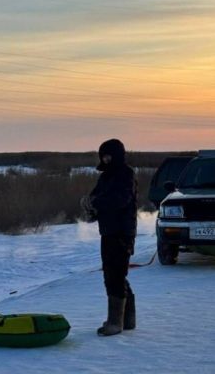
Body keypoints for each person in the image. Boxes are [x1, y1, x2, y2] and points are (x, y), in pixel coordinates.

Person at [82, 139, 138, 336]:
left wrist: (97, 203)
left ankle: (116, 322)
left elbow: (119, 200)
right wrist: (90, 206)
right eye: (103, 155)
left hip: (122, 232)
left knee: (115, 274)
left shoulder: (126, 174)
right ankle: (127, 319)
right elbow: (96, 197)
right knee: (113, 273)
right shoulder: (105, 176)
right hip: (108, 231)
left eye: (108, 155)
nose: (105, 159)